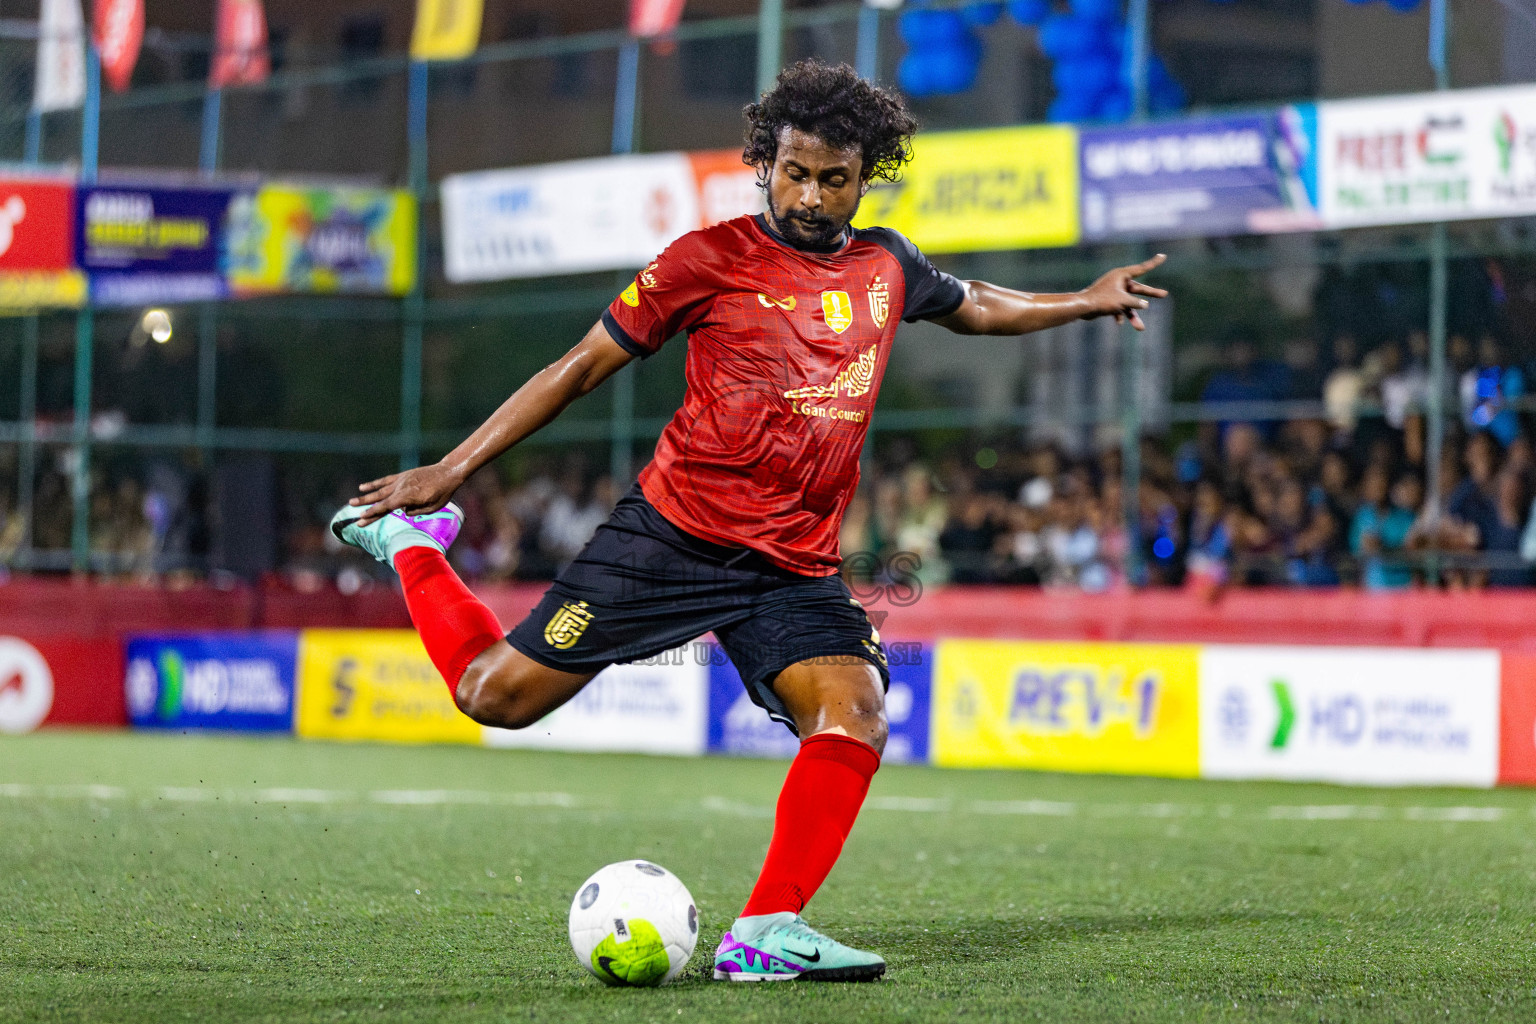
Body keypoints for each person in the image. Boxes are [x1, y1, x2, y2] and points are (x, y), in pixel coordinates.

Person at [328, 61, 1167, 984]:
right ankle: (413, 547)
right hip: (672, 537)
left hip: (794, 564)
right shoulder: (706, 260)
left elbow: (977, 307)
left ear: (865, 175)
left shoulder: (887, 263)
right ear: (764, 163)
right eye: (796, 172)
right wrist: (449, 472)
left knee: (854, 715)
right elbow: (575, 369)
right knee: (495, 697)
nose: (813, 195)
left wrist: (1083, 300)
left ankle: (764, 929)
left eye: (835, 177)